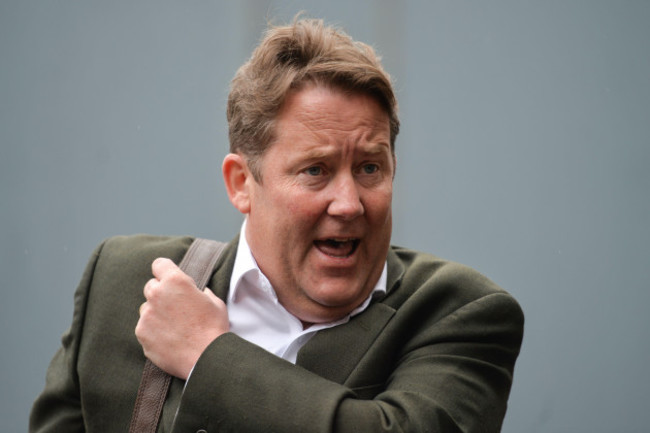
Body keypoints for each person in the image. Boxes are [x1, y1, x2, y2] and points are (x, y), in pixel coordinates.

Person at [30, 17, 524, 433]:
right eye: (316, 170)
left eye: (370, 168)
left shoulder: (459, 311)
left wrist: (208, 356)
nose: (349, 203)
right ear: (242, 182)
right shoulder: (125, 284)